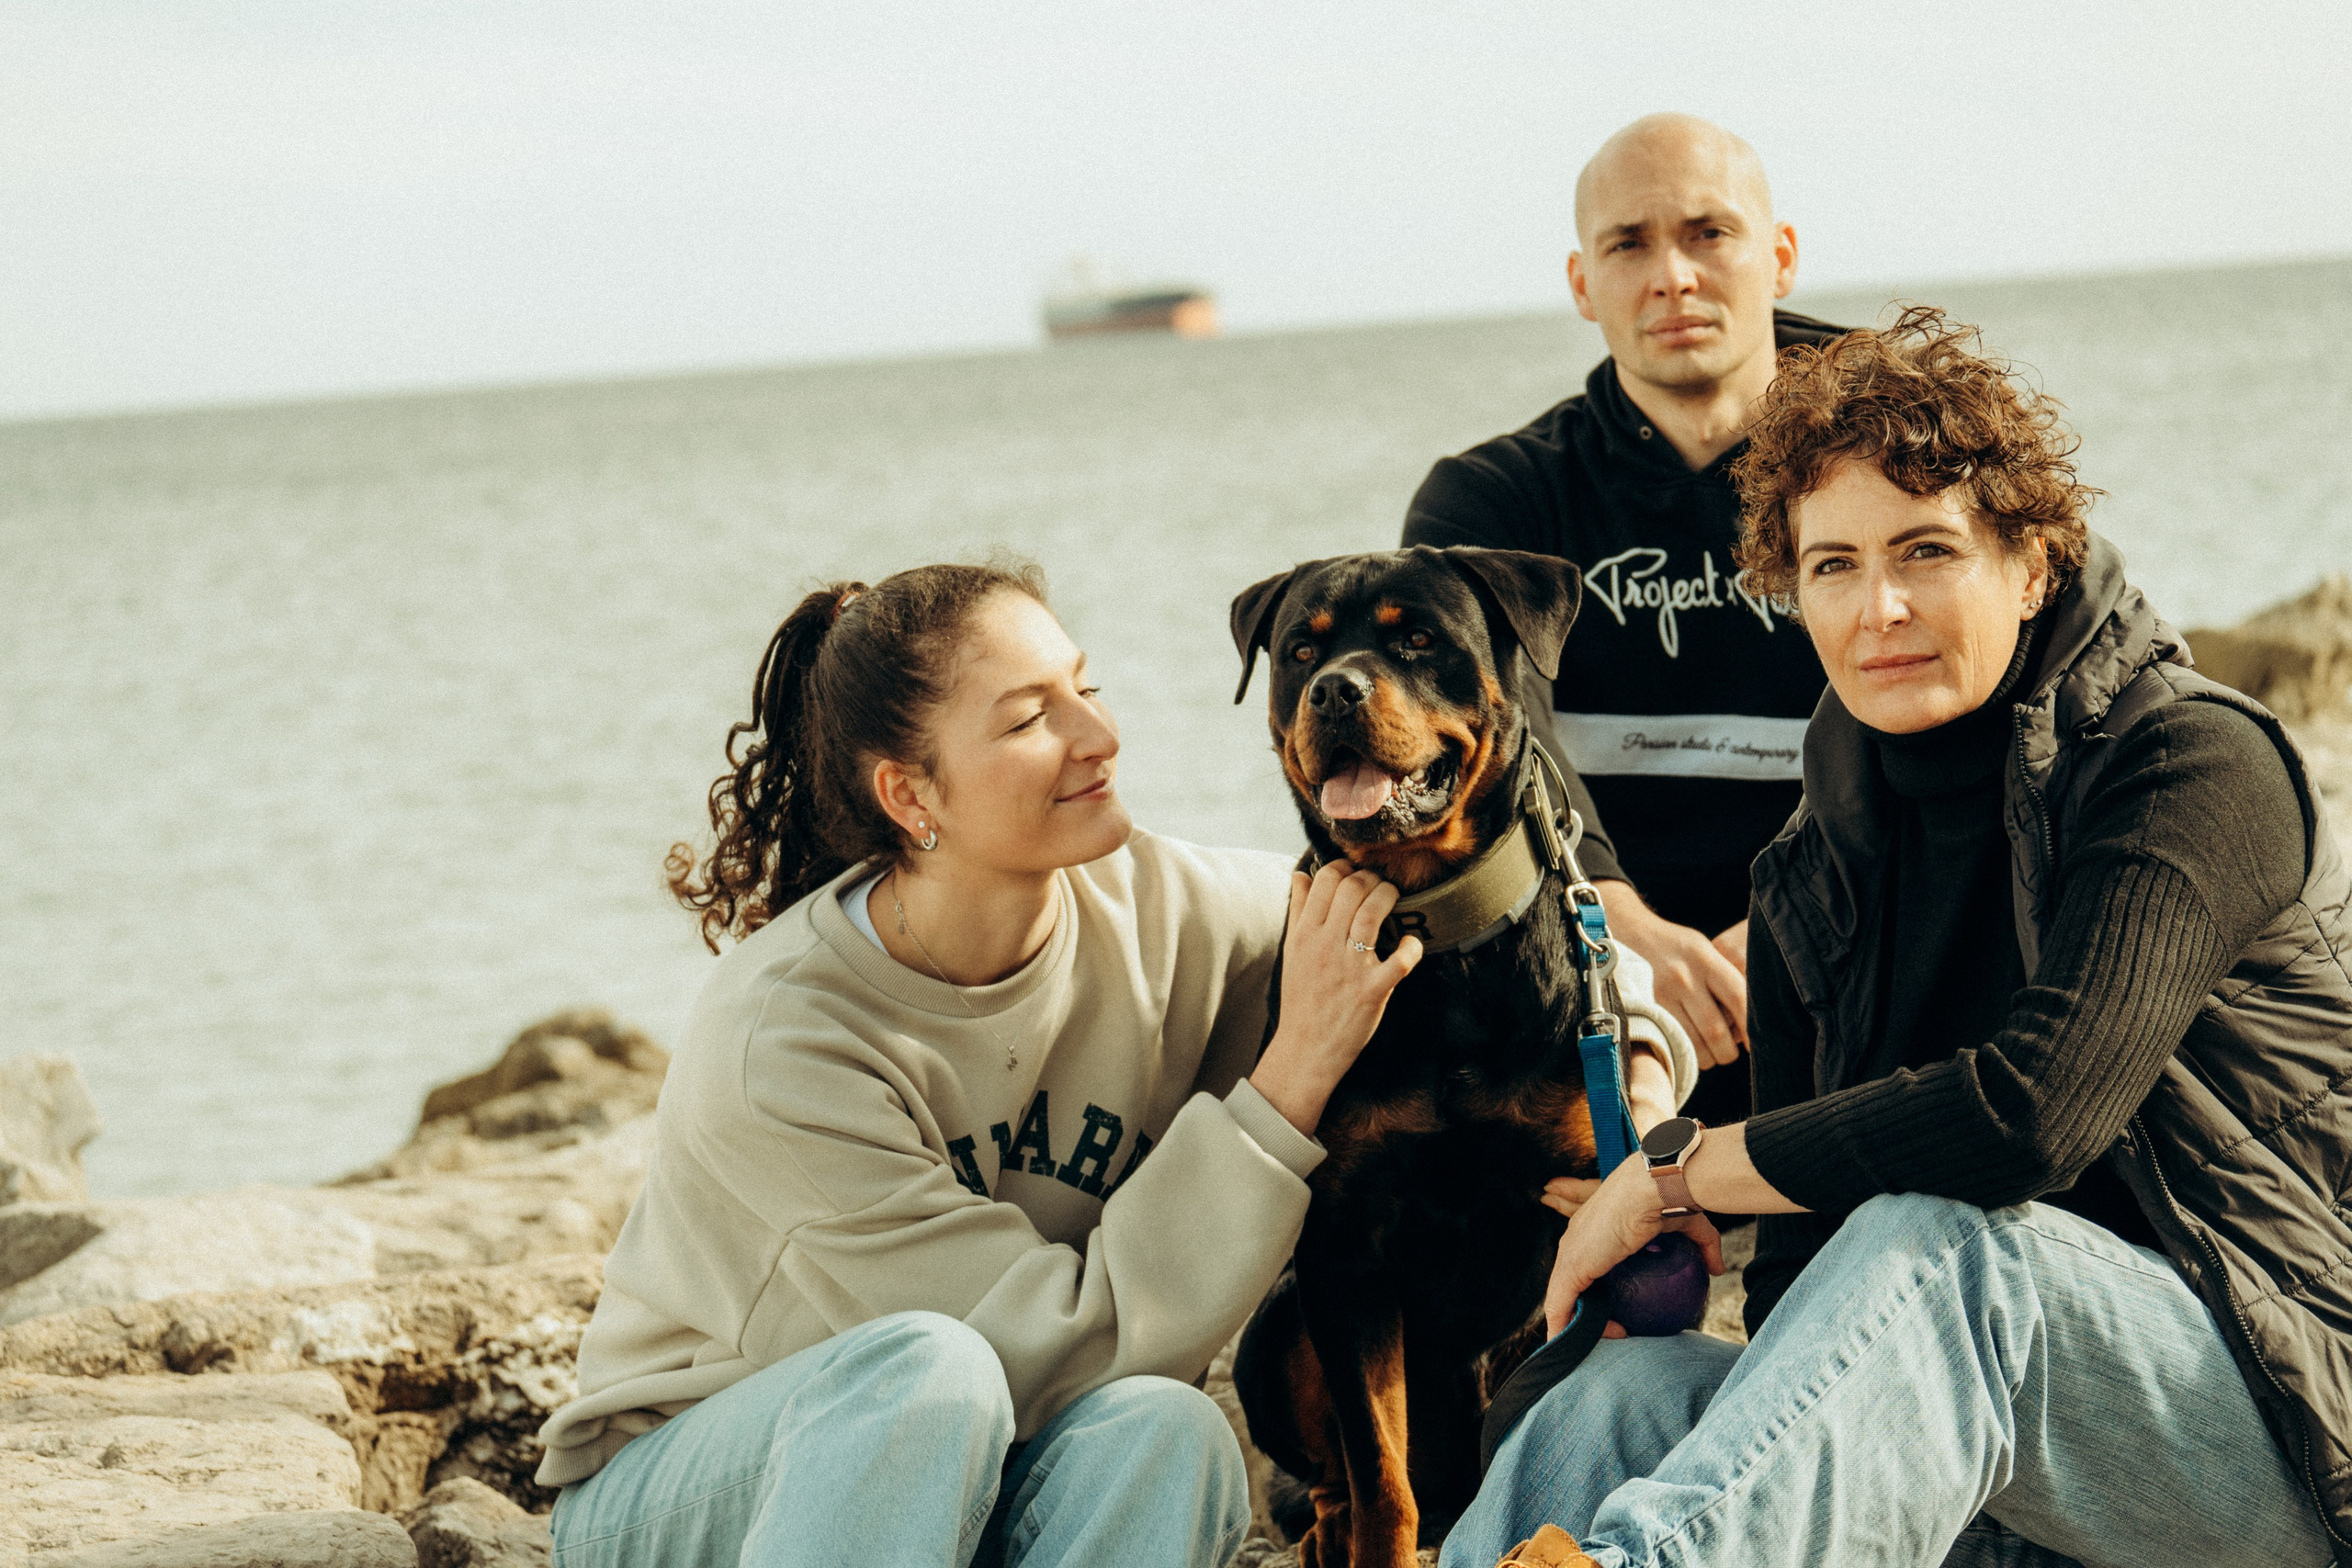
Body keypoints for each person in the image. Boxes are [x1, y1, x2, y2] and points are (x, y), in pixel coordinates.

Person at [1441, 310, 2352, 1568]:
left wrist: (1678, 1168)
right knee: (1611, 1397)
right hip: (1991, 1475)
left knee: (1952, 1238)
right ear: (1790, 588)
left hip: (2279, 1433)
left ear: (2030, 563)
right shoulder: (1815, 865)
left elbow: (2033, 1115)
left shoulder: (2189, 764)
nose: (1881, 607)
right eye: (1832, 565)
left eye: (1928, 550)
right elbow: (1803, 1289)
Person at [534, 561, 1430, 1567]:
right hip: (697, 1484)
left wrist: (1644, 1080)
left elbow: (1507, 934)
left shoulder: (1169, 909)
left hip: (987, 1453)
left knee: (1164, 1431)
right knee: (927, 1370)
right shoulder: (785, 1043)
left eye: (1084, 689)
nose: (1099, 737)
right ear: (911, 793)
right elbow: (1054, 1350)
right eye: (1027, 720)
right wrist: (1289, 1080)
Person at [1402, 112, 1843, 1122]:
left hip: (1850, 938)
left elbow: (1959, 719)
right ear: (1580, 283)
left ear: (1777, 258)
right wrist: (1619, 926)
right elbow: (1493, 753)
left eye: (1708, 234)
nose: (1672, 276)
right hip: (1588, 964)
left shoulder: (1887, 464)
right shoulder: (1492, 507)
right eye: (1628, 244)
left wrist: (1794, 911)